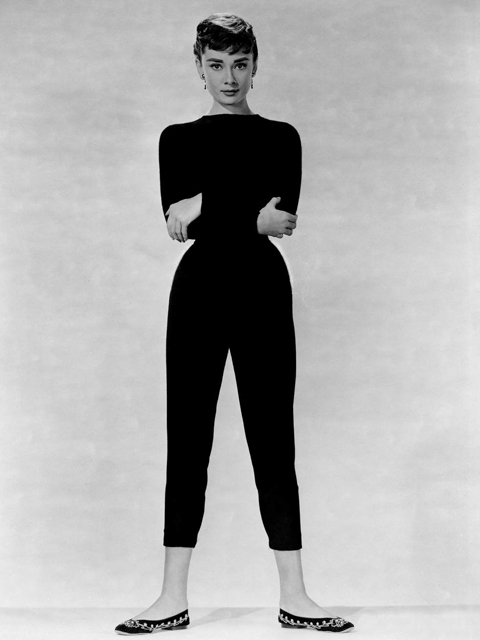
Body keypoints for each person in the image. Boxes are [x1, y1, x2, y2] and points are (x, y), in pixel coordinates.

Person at [115, 13, 354, 635]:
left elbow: (283, 217)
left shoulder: (282, 136)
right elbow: (177, 223)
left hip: (262, 291)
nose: (229, 77)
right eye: (216, 65)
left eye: (240, 64)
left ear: (255, 66)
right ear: (199, 68)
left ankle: (296, 597)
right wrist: (243, 211)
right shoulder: (177, 139)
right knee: (188, 438)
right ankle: (170, 598)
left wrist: (207, 204)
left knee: (273, 438)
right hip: (198, 291)